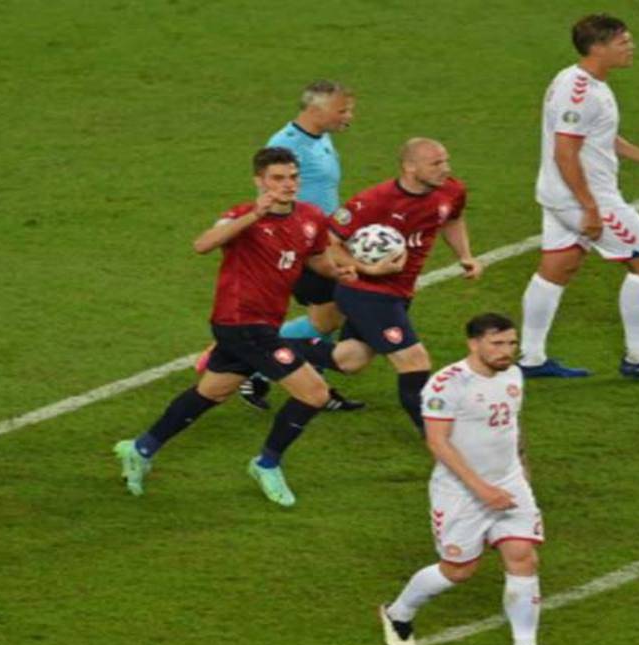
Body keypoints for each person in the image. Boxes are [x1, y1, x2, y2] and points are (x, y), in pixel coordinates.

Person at [113, 148, 346, 507]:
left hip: (264, 322)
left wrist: (350, 271)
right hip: (241, 323)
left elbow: (318, 260)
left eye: (293, 177)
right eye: (277, 179)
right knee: (315, 393)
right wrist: (255, 214)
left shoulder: (311, 218)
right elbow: (203, 244)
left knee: (212, 391)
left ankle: (141, 448)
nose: (287, 185)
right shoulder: (242, 216)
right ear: (259, 181)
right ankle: (267, 464)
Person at [378, 313, 572, 645]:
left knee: (523, 557)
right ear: (473, 344)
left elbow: (512, 427)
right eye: (497, 344)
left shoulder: (512, 375)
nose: (506, 351)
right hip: (461, 492)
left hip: (509, 483)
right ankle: (397, 614)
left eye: (511, 344)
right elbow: (437, 441)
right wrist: (482, 489)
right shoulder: (447, 384)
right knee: (459, 570)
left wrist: (522, 472)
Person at [518, 13, 639, 381]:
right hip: (581, 197)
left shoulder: (580, 81)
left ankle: (531, 358)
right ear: (598, 48)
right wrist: (590, 206)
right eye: (623, 42)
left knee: (557, 268)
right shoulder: (579, 92)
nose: (631, 47)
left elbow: (597, 137)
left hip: (558, 194)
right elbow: (565, 152)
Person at [308, 138, 482, 434]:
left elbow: (452, 219)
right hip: (366, 293)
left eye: (446, 161)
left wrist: (465, 255)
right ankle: (441, 442)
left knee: (350, 360)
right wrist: (368, 268)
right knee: (414, 362)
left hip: (399, 293)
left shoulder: (451, 190)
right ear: (410, 167)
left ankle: (268, 349)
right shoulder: (373, 201)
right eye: (436, 163)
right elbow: (329, 243)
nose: (446, 169)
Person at [232, 80, 363, 412]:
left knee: (331, 316)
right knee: (326, 319)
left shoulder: (321, 137)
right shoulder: (286, 147)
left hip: (326, 238)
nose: (349, 116)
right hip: (307, 246)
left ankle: (295, 382)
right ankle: (251, 359)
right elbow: (271, 199)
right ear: (316, 110)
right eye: (342, 110)